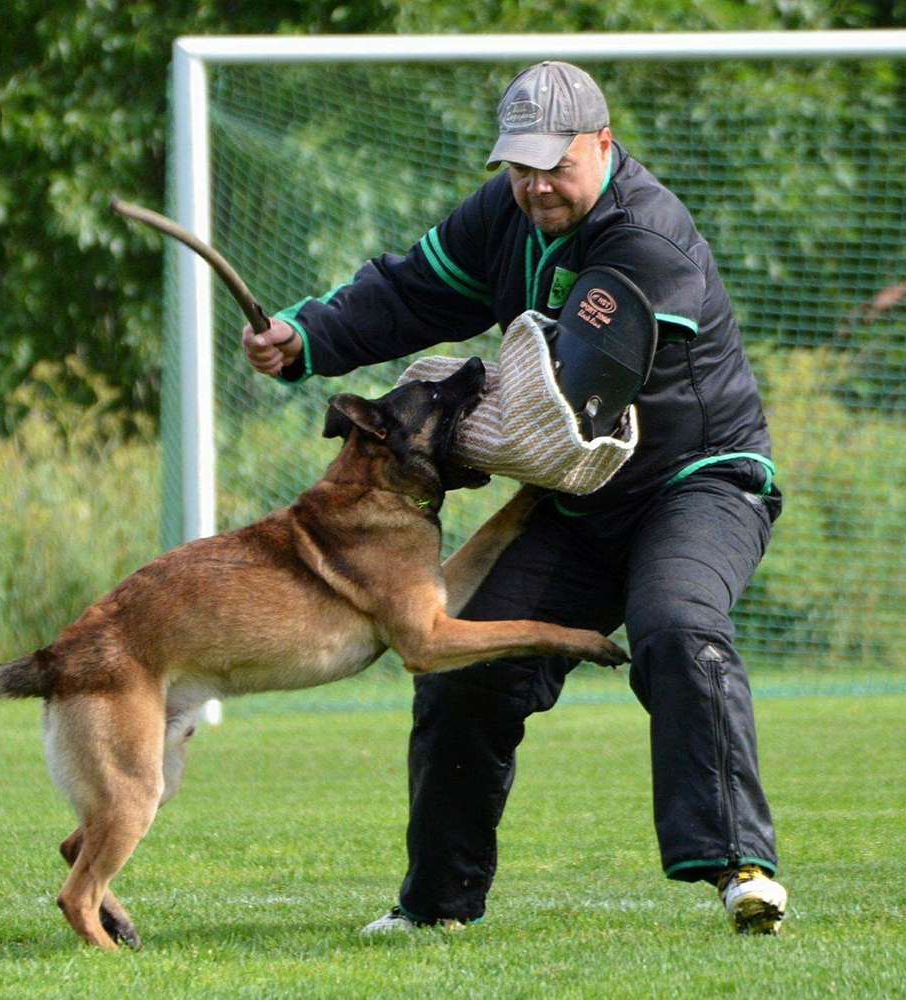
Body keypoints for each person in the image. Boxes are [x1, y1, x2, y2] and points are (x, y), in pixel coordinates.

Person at [242, 61, 787, 935]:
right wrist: (307, 337)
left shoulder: (650, 239)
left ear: (602, 145)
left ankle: (742, 867)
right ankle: (436, 908)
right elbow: (409, 291)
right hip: (573, 505)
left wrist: (440, 427)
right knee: (464, 671)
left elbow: (569, 399)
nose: (534, 185)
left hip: (694, 484)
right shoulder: (504, 213)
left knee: (677, 624)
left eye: (554, 166)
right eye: (518, 166)